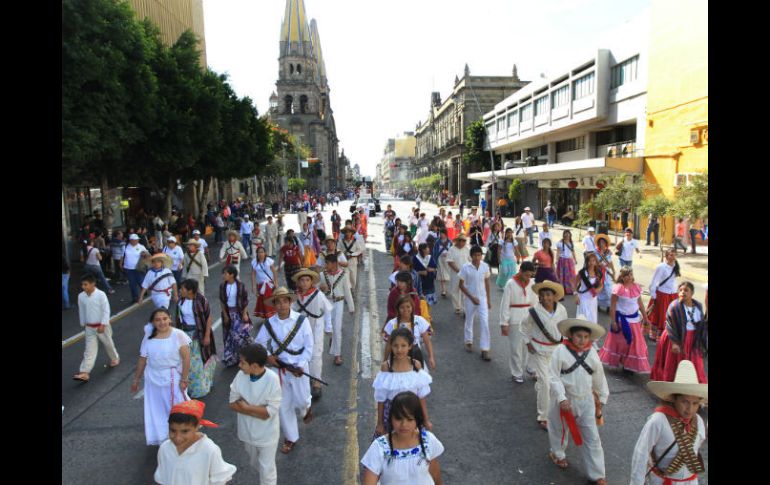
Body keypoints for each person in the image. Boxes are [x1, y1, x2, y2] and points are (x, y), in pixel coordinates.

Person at [547, 318, 609, 485]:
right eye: (578, 336)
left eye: (585, 336)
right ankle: (557, 454)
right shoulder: (560, 350)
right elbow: (553, 376)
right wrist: (561, 397)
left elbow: (599, 376)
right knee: (558, 429)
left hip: (586, 400)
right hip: (564, 400)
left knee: (592, 438)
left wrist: (601, 397)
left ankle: (597, 474)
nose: (582, 340)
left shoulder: (592, 353)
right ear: (570, 335)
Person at [254, 287, 314, 454]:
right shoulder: (269, 323)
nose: (281, 305)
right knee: (283, 405)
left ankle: (306, 407)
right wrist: (268, 357)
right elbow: (258, 343)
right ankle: (291, 438)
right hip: (279, 370)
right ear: (273, 304)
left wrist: (301, 365)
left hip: (299, 367)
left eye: (284, 301)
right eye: (277, 302)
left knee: (302, 400)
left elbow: (309, 347)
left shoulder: (302, 321)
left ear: (290, 302)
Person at [630, 360, 707, 485]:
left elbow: (698, 445)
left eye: (695, 403)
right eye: (684, 402)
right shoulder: (658, 420)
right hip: (663, 481)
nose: (690, 409)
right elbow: (641, 453)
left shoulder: (698, 421)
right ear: (674, 399)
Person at [131, 308, 191, 446]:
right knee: (157, 409)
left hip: (172, 378)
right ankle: (163, 436)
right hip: (153, 379)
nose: (162, 322)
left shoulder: (178, 335)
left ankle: (185, 434)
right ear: (153, 322)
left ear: (170, 319)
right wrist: (136, 379)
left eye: (164, 319)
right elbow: (142, 359)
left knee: (177, 408)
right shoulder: (148, 337)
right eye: (158, 319)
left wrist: (184, 378)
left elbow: (186, 358)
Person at [362, 390, 444, 485]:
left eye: (409, 419)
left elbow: (434, 470)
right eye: (398, 418)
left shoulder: (428, 440)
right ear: (390, 419)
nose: (404, 424)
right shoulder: (379, 447)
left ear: (417, 419)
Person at [229, 344, 282, 485]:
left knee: (267, 470)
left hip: (267, 434)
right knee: (255, 463)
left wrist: (246, 407)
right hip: (247, 432)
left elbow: (269, 412)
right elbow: (232, 403)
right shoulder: (240, 375)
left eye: (243, 363)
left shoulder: (272, 379)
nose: (239, 365)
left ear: (254, 366)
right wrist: (257, 410)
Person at [154, 400, 237, 485]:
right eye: (173, 431)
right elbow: (162, 478)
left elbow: (220, 479)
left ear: (197, 426)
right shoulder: (165, 448)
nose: (178, 437)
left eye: (185, 431)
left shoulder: (209, 450)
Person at [521, 280, 568, 429]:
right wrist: (527, 342)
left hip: (557, 350)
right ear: (539, 297)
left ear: (554, 296)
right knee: (545, 382)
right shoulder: (534, 311)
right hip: (540, 350)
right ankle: (543, 415)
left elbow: (565, 328)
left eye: (549, 295)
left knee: (555, 381)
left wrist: (567, 345)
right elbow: (524, 326)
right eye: (543, 295)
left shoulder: (561, 310)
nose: (546, 298)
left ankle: (542, 390)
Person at [372, 329, 433, 438]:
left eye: (403, 345)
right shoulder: (386, 367)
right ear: (391, 346)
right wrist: (380, 423)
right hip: (391, 415)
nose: (399, 349)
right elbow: (381, 399)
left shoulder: (416, 365)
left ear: (410, 346)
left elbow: (421, 397)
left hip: (412, 414)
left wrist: (426, 419)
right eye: (395, 346)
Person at [651, 282, 708, 383]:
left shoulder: (698, 306)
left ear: (692, 293)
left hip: (692, 340)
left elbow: (701, 325)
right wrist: (674, 343)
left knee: (695, 364)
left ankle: (692, 388)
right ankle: (673, 388)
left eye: (686, 290)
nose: (683, 292)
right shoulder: (674, 306)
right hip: (676, 339)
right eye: (680, 290)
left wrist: (703, 343)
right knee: (675, 364)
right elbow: (669, 325)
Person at [598, 267, 651, 374]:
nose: (629, 277)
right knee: (622, 344)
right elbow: (612, 307)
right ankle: (623, 363)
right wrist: (613, 321)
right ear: (622, 277)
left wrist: (645, 318)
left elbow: (640, 304)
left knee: (635, 344)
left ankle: (629, 366)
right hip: (622, 321)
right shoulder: (618, 289)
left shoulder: (636, 287)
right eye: (626, 275)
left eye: (630, 274)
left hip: (635, 321)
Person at [292, 269, 333, 400]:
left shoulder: (318, 294)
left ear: (311, 282)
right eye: (302, 280)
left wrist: (328, 326)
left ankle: (317, 382)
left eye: (307, 280)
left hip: (316, 327)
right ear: (298, 282)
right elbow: (290, 313)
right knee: (303, 354)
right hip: (301, 330)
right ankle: (307, 377)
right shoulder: (295, 296)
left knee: (316, 354)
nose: (304, 283)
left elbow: (327, 310)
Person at [72, 274, 120, 382]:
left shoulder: (101, 295)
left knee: (108, 344)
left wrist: (103, 324)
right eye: (82, 285)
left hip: (102, 326)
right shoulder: (81, 296)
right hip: (89, 327)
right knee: (89, 349)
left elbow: (106, 310)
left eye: (86, 284)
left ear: (93, 284)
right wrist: (83, 323)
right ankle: (84, 372)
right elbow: (82, 310)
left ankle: (114, 358)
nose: (83, 287)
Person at [175, 279, 216, 398]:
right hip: (185, 335)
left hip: (199, 335)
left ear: (190, 291)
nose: (180, 291)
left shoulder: (201, 301)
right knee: (186, 363)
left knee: (196, 363)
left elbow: (208, 318)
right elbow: (179, 319)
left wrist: (207, 335)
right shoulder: (180, 301)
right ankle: (189, 388)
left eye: (182, 289)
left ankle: (200, 389)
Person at [499, 261, 538, 383]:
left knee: (532, 345)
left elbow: (535, 302)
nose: (528, 277)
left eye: (530, 275)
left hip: (529, 318)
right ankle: (516, 372)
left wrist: (537, 318)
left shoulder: (532, 283)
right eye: (526, 274)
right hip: (514, 318)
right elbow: (504, 304)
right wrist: (504, 323)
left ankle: (531, 367)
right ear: (520, 271)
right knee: (516, 347)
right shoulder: (510, 284)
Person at [382, 296, 436, 371]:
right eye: (402, 307)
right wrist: (384, 360)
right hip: (397, 360)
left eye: (408, 307)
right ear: (398, 309)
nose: (405, 310)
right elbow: (388, 345)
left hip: (416, 357)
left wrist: (431, 357)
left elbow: (427, 341)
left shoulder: (419, 321)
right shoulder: (392, 324)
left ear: (412, 307)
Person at [319, 253, 355, 366]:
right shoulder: (321, 275)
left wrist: (351, 307)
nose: (325, 265)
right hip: (326, 302)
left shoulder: (343, 275)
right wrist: (321, 289)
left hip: (338, 303)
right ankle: (331, 342)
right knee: (325, 328)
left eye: (327, 263)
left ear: (334, 263)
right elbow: (316, 290)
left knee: (337, 328)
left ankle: (337, 355)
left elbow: (347, 291)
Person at [458, 246, 492, 360]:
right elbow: (461, 285)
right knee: (469, 319)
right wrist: (472, 298)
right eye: (475, 255)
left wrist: (488, 300)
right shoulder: (465, 267)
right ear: (471, 255)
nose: (477, 257)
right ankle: (468, 340)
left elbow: (487, 283)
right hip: (469, 298)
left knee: (484, 322)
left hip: (482, 298)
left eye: (479, 255)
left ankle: (485, 349)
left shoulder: (485, 266)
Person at [219, 265, 253, 368]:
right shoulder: (222, 286)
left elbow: (245, 300)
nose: (223, 275)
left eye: (225, 273)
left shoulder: (240, 285)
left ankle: (247, 356)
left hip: (238, 314)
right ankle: (232, 359)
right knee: (228, 337)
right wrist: (225, 315)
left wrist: (244, 314)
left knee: (240, 336)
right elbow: (222, 301)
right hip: (228, 314)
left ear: (232, 275)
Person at [645, 249, 681, 341]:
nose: (672, 257)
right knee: (660, 315)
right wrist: (654, 295)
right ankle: (655, 334)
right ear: (666, 256)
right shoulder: (661, 267)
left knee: (672, 315)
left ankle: (668, 334)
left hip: (673, 294)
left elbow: (673, 280)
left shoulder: (676, 266)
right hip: (662, 294)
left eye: (674, 255)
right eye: (670, 255)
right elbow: (654, 281)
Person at [573, 252, 604, 326]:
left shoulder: (598, 273)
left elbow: (601, 285)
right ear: (586, 262)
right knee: (583, 317)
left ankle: (590, 335)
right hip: (583, 298)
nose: (591, 263)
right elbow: (574, 283)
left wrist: (597, 290)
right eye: (589, 261)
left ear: (596, 262)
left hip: (593, 299)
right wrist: (575, 295)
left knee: (592, 317)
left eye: (593, 261)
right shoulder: (582, 272)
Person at [446, 234, 472, 315]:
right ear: (457, 240)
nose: (461, 242)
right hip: (455, 273)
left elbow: (471, 260)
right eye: (460, 240)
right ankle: (457, 307)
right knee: (455, 290)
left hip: (466, 273)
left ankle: (465, 309)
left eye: (463, 241)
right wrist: (459, 271)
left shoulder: (467, 249)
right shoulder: (452, 249)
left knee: (466, 291)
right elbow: (450, 262)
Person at [251, 246, 278, 321]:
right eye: (259, 252)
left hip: (269, 284)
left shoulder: (269, 261)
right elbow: (253, 274)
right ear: (257, 253)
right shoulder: (254, 262)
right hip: (260, 285)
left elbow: (274, 271)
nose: (260, 254)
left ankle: (270, 316)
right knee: (262, 300)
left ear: (265, 253)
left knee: (268, 299)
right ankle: (267, 316)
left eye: (262, 252)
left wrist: (276, 282)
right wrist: (253, 287)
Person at [595, 234, 615, 313]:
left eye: (603, 242)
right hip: (598, 273)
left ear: (606, 243)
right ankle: (597, 305)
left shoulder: (608, 252)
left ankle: (608, 306)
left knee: (608, 290)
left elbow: (610, 262)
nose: (602, 244)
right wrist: (600, 265)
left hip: (607, 273)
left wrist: (613, 271)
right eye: (600, 242)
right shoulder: (596, 251)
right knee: (599, 289)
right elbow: (594, 262)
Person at [340, 227, 365, 292]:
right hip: (344, 261)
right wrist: (343, 255)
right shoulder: (341, 241)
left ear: (352, 233)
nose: (348, 233)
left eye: (349, 232)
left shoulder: (355, 241)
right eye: (346, 232)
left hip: (353, 261)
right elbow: (338, 250)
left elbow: (360, 250)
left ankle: (352, 288)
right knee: (345, 276)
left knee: (353, 277)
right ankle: (348, 289)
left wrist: (353, 254)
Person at [556, 230, 578, 295]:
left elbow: (573, 251)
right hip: (562, 260)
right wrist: (556, 260)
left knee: (571, 275)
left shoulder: (571, 243)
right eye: (566, 234)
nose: (567, 235)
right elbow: (558, 252)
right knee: (562, 275)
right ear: (564, 235)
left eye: (568, 234)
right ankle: (562, 290)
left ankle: (570, 289)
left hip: (569, 260)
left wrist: (575, 259)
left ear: (570, 235)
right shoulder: (560, 243)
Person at [432, 230, 452, 298]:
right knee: (442, 274)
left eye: (443, 233)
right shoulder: (437, 242)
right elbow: (435, 251)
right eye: (440, 233)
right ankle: (443, 290)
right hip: (440, 259)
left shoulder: (449, 241)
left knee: (449, 274)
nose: (441, 235)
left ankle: (449, 289)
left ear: (446, 234)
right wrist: (436, 258)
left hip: (448, 259)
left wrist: (448, 254)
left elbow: (452, 250)